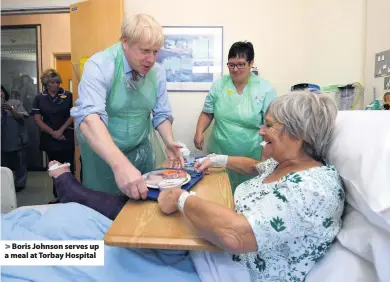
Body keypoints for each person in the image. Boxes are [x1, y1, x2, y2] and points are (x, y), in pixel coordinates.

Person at [48, 91, 344, 282]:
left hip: (228, 270)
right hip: (212, 251)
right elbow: (253, 166)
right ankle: (70, 203)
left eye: (269, 125)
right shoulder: (286, 165)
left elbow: (235, 235)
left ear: (296, 134)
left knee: (108, 258)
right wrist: (218, 159)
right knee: (122, 228)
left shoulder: (314, 189)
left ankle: (25, 253)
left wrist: (180, 198)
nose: (262, 131)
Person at [71, 14, 184, 200]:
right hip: (104, 156)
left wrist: (168, 141)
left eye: (156, 52)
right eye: (145, 51)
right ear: (125, 42)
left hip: (140, 151)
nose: (151, 59)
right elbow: (89, 118)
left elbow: (161, 113)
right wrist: (119, 165)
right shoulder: (100, 65)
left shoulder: (157, 72)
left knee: (142, 209)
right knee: (105, 211)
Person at [194, 41, 277, 192]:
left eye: (240, 64)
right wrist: (199, 131)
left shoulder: (265, 89)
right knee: (220, 194)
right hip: (219, 151)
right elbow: (207, 112)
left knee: (246, 197)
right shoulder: (219, 85)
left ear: (251, 63)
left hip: (251, 157)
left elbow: (272, 125)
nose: (235, 70)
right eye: (231, 65)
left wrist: (270, 151)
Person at [32, 69, 75, 203]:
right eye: (52, 82)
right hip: (50, 138)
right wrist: (53, 133)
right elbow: (38, 120)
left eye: (58, 82)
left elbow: (72, 115)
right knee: (55, 168)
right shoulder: (39, 98)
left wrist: (60, 131)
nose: (56, 85)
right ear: (46, 83)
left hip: (66, 135)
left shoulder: (68, 95)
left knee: (68, 167)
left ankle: (71, 195)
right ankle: (58, 196)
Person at [1, 85, 29, 192]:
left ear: (4, 92)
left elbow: (22, 116)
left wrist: (11, 110)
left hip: (17, 139)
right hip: (2, 141)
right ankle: (5, 184)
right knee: (3, 165)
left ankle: (19, 184)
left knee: (20, 163)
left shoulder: (14, 103)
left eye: (0, 91)